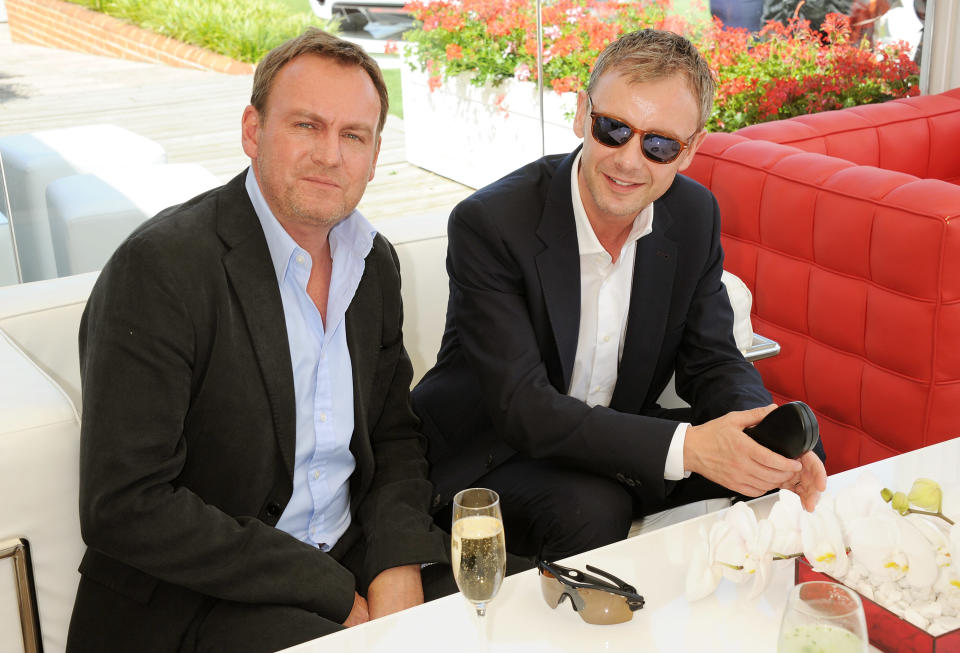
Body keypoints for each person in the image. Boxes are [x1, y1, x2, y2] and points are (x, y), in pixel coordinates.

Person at [66, 28, 448, 652]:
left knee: (504, 612)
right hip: (197, 598)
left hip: (349, 559)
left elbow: (393, 436)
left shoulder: (372, 261)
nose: (331, 155)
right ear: (253, 131)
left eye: (354, 135)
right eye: (306, 125)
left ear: (375, 157)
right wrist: (324, 588)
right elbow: (126, 504)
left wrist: (397, 566)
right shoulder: (162, 269)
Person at [412, 29, 827, 561]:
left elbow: (714, 361)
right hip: (493, 456)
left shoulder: (693, 215)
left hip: (612, 440)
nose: (629, 161)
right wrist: (692, 448)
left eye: (659, 145)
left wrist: (758, 433)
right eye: (614, 130)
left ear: (692, 148)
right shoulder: (492, 223)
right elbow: (524, 409)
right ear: (583, 114)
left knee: (792, 456)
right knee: (592, 505)